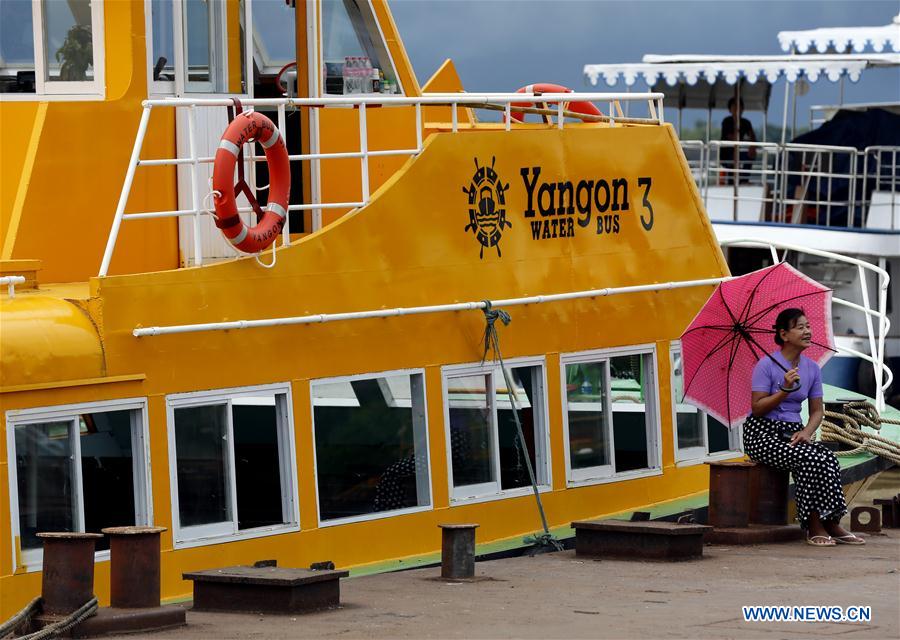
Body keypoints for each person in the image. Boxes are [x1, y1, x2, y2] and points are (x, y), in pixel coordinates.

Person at [744, 308, 864, 547]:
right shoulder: (765, 366)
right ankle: (813, 525)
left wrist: (807, 432)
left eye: (808, 326)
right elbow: (757, 408)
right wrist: (784, 390)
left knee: (828, 458)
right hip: (762, 435)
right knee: (810, 460)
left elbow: (817, 411)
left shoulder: (811, 368)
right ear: (784, 334)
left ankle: (832, 521)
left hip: (793, 433)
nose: (808, 331)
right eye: (800, 327)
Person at [720, 97, 757, 184]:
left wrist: (752, 146)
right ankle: (731, 182)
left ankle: (744, 180)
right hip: (727, 152)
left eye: (739, 107)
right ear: (730, 109)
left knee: (749, 156)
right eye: (734, 107)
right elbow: (729, 136)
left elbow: (752, 136)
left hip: (740, 151)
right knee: (733, 159)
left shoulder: (746, 122)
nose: (737, 109)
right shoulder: (726, 121)